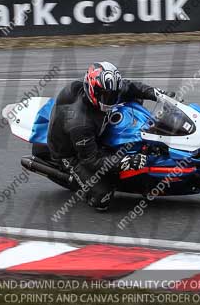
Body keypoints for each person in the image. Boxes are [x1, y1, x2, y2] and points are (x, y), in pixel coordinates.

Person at [46, 61, 171, 211]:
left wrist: (158, 94)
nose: (111, 100)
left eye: (113, 95)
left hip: (91, 133)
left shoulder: (106, 88)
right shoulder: (80, 122)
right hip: (70, 153)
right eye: (106, 96)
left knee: (133, 98)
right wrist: (125, 161)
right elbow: (91, 160)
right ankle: (78, 181)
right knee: (102, 197)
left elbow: (131, 87)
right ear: (93, 90)